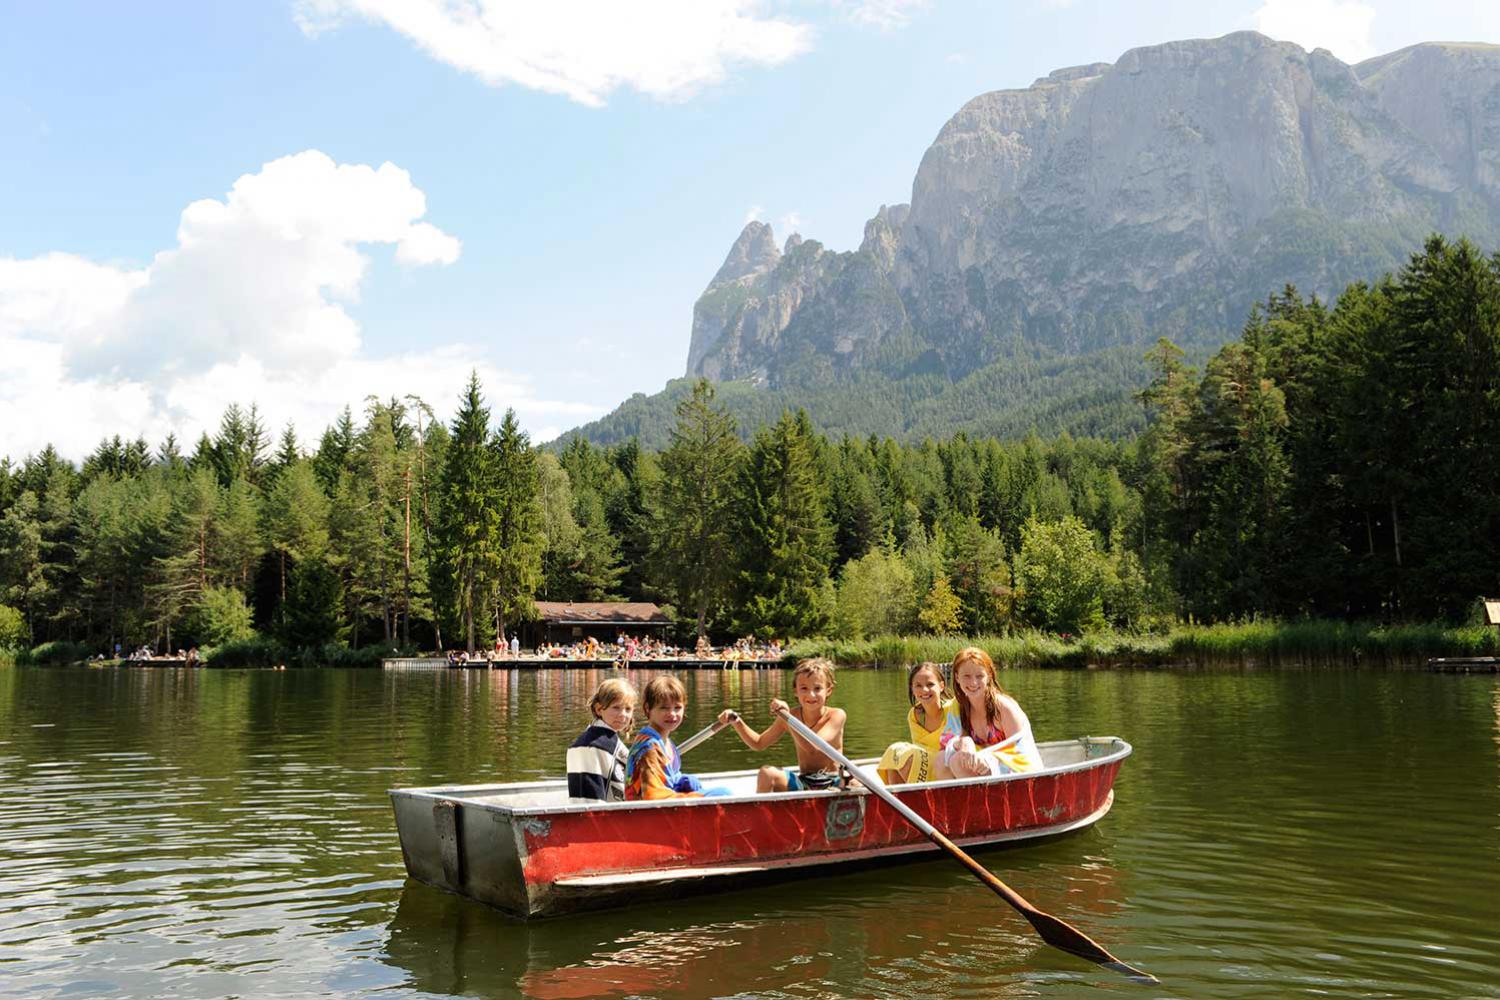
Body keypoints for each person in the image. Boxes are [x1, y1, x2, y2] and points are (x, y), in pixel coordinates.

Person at [720, 658, 848, 793]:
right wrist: (736, 721)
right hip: (804, 780)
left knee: (855, 782)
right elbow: (758, 743)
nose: (811, 694)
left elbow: (813, 748)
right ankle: (760, 812)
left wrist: (788, 718)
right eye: (804, 688)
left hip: (834, 781)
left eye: (817, 688)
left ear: (828, 690)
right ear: (795, 691)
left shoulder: (836, 715)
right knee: (766, 773)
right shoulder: (791, 716)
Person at [941, 647, 1044, 777]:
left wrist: (986, 758)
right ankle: (972, 796)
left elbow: (1020, 750)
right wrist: (964, 741)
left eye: (979, 676)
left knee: (958, 761)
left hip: (1018, 772)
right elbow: (946, 741)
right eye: (967, 676)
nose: (973, 682)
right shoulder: (959, 706)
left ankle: (980, 795)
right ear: (957, 677)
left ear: (989, 676)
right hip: (986, 768)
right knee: (944, 759)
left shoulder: (1003, 707)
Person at [625, 675, 730, 800]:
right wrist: (696, 796)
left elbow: (670, 779)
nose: (672, 714)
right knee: (723, 793)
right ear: (647, 709)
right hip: (649, 812)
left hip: (665, 800)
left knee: (692, 782)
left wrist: (680, 780)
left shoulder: (665, 741)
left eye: (677, 707)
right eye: (664, 708)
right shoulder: (649, 747)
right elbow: (651, 795)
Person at [877, 661, 961, 784]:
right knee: (894, 753)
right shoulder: (914, 715)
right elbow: (918, 747)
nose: (924, 690)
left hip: (945, 765)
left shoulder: (952, 709)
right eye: (918, 685)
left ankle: (914, 798)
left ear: (941, 686)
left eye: (930, 684)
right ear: (912, 688)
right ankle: (897, 799)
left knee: (908, 758)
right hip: (924, 761)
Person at [567, 678, 638, 802]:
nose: (623, 714)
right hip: (604, 819)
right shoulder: (592, 745)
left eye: (628, 709)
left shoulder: (607, 739)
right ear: (599, 709)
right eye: (616, 707)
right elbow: (590, 800)